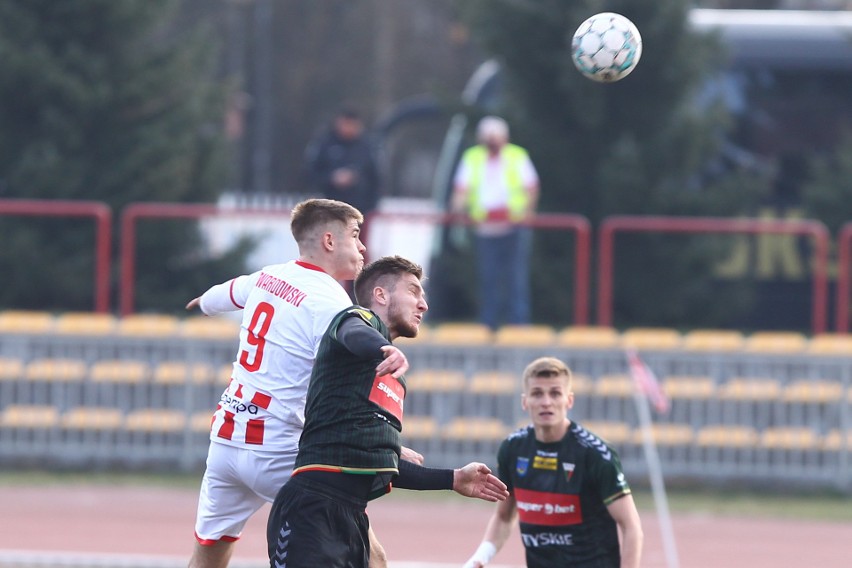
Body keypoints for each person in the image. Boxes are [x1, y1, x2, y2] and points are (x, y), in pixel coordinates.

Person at [185, 198, 417, 568]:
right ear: (329, 241)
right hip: (281, 451)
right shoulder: (327, 299)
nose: (362, 247)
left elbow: (225, 293)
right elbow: (353, 329)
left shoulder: (267, 276)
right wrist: (383, 347)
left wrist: (203, 303)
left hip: (226, 445)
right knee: (372, 556)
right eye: (355, 236)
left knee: (208, 555)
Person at [266, 255, 510, 567]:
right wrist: (383, 348)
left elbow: (378, 463)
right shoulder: (358, 323)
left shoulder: (391, 376)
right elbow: (352, 330)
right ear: (381, 295)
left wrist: (452, 478)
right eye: (413, 292)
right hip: (312, 508)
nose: (423, 304)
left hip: (352, 518)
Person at [462, 356, 643, 568]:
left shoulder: (596, 454)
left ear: (569, 400)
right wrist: (480, 557)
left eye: (555, 393)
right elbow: (504, 517)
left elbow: (631, 528)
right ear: (525, 401)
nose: (546, 402)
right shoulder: (512, 449)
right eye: (537, 393)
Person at [451, 115, 540, 330]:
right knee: (488, 277)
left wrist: (527, 213)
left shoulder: (517, 156)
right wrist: (456, 212)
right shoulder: (472, 158)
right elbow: (461, 191)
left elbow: (531, 188)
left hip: (514, 226)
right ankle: (488, 323)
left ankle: (518, 323)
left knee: (515, 277)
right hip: (485, 227)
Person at [305, 106, 381, 219]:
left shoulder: (367, 146)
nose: (348, 128)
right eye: (346, 124)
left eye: (352, 124)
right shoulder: (324, 144)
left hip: (359, 210)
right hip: (328, 209)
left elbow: (375, 177)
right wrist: (332, 178)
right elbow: (310, 173)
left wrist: (371, 205)